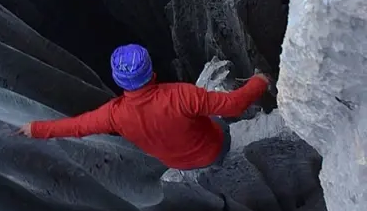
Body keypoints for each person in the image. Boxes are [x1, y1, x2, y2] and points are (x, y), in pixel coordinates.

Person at [18, 44, 271, 170]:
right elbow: (234, 105)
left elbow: (77, 126)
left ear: (118, 81)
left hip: (178, 163)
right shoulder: (181, 95)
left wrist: (37, 129)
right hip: (215, 148)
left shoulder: (113, 115)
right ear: (151, 71)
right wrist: (260, 81)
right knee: (218, 114)